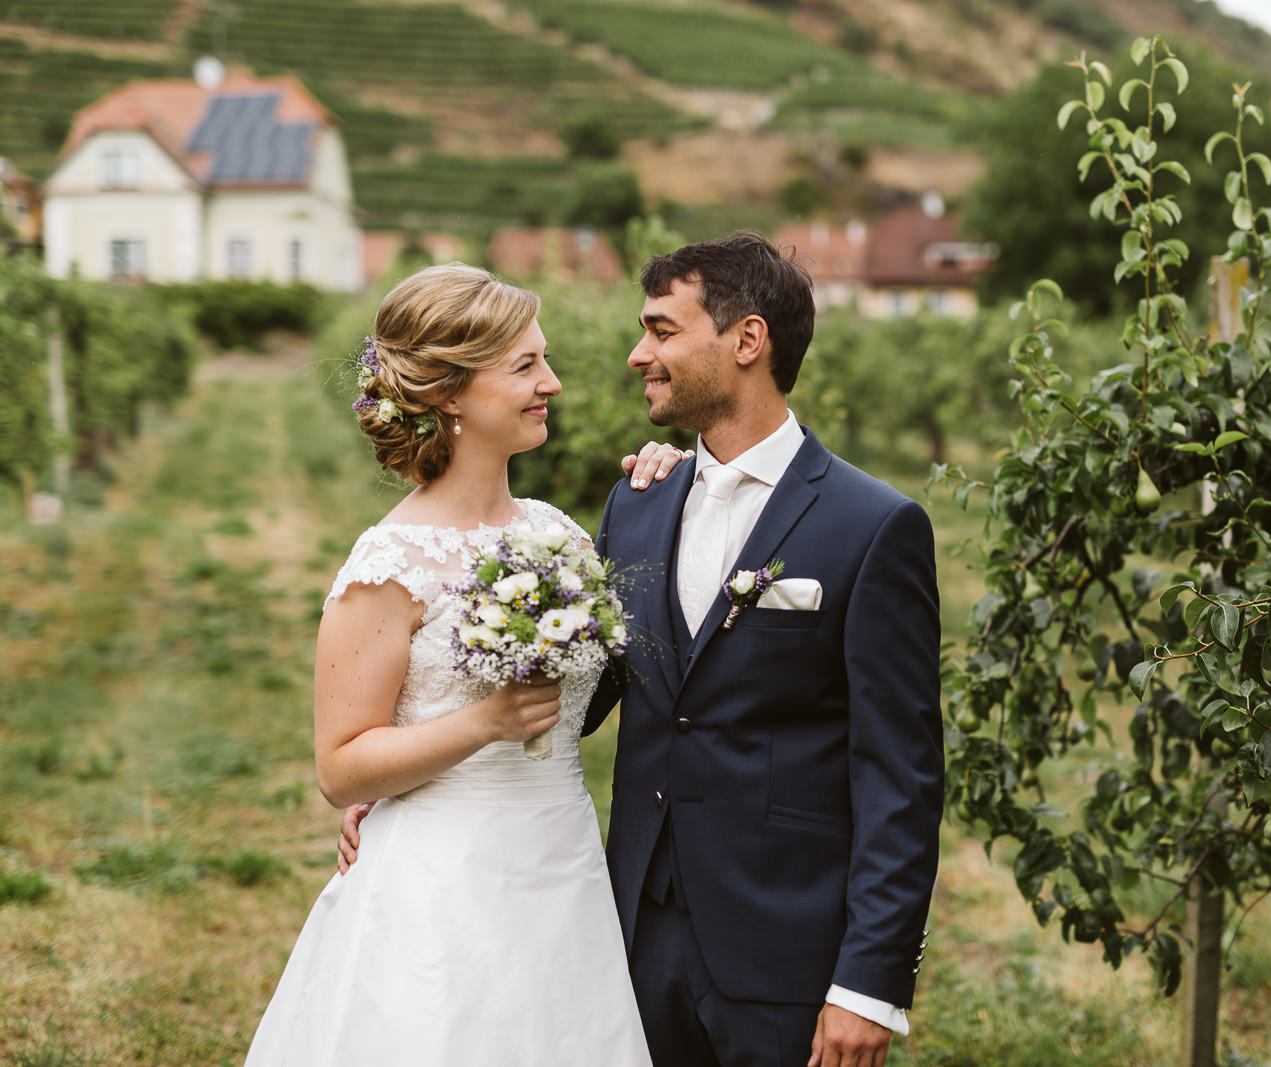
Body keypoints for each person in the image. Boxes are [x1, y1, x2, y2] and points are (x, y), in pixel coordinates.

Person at [245, 263, 685, 1065]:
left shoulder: (560, 535)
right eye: (525, 366)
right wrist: (482, 722)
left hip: (564, 869)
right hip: (443, 885)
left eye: (545, 359)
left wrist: (675, 477)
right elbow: (341, 766)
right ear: (450, 394)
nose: (551, 382)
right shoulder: (390, 563)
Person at [589, 232, 944, 1067]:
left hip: (790, 955)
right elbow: (576, 695)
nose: (640, 354)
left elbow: (899, 773)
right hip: (637, 937)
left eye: (662, 330)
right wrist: (413, 770)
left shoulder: (873, 525)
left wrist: (869, 984)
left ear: (748, 339)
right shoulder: (635, 503)